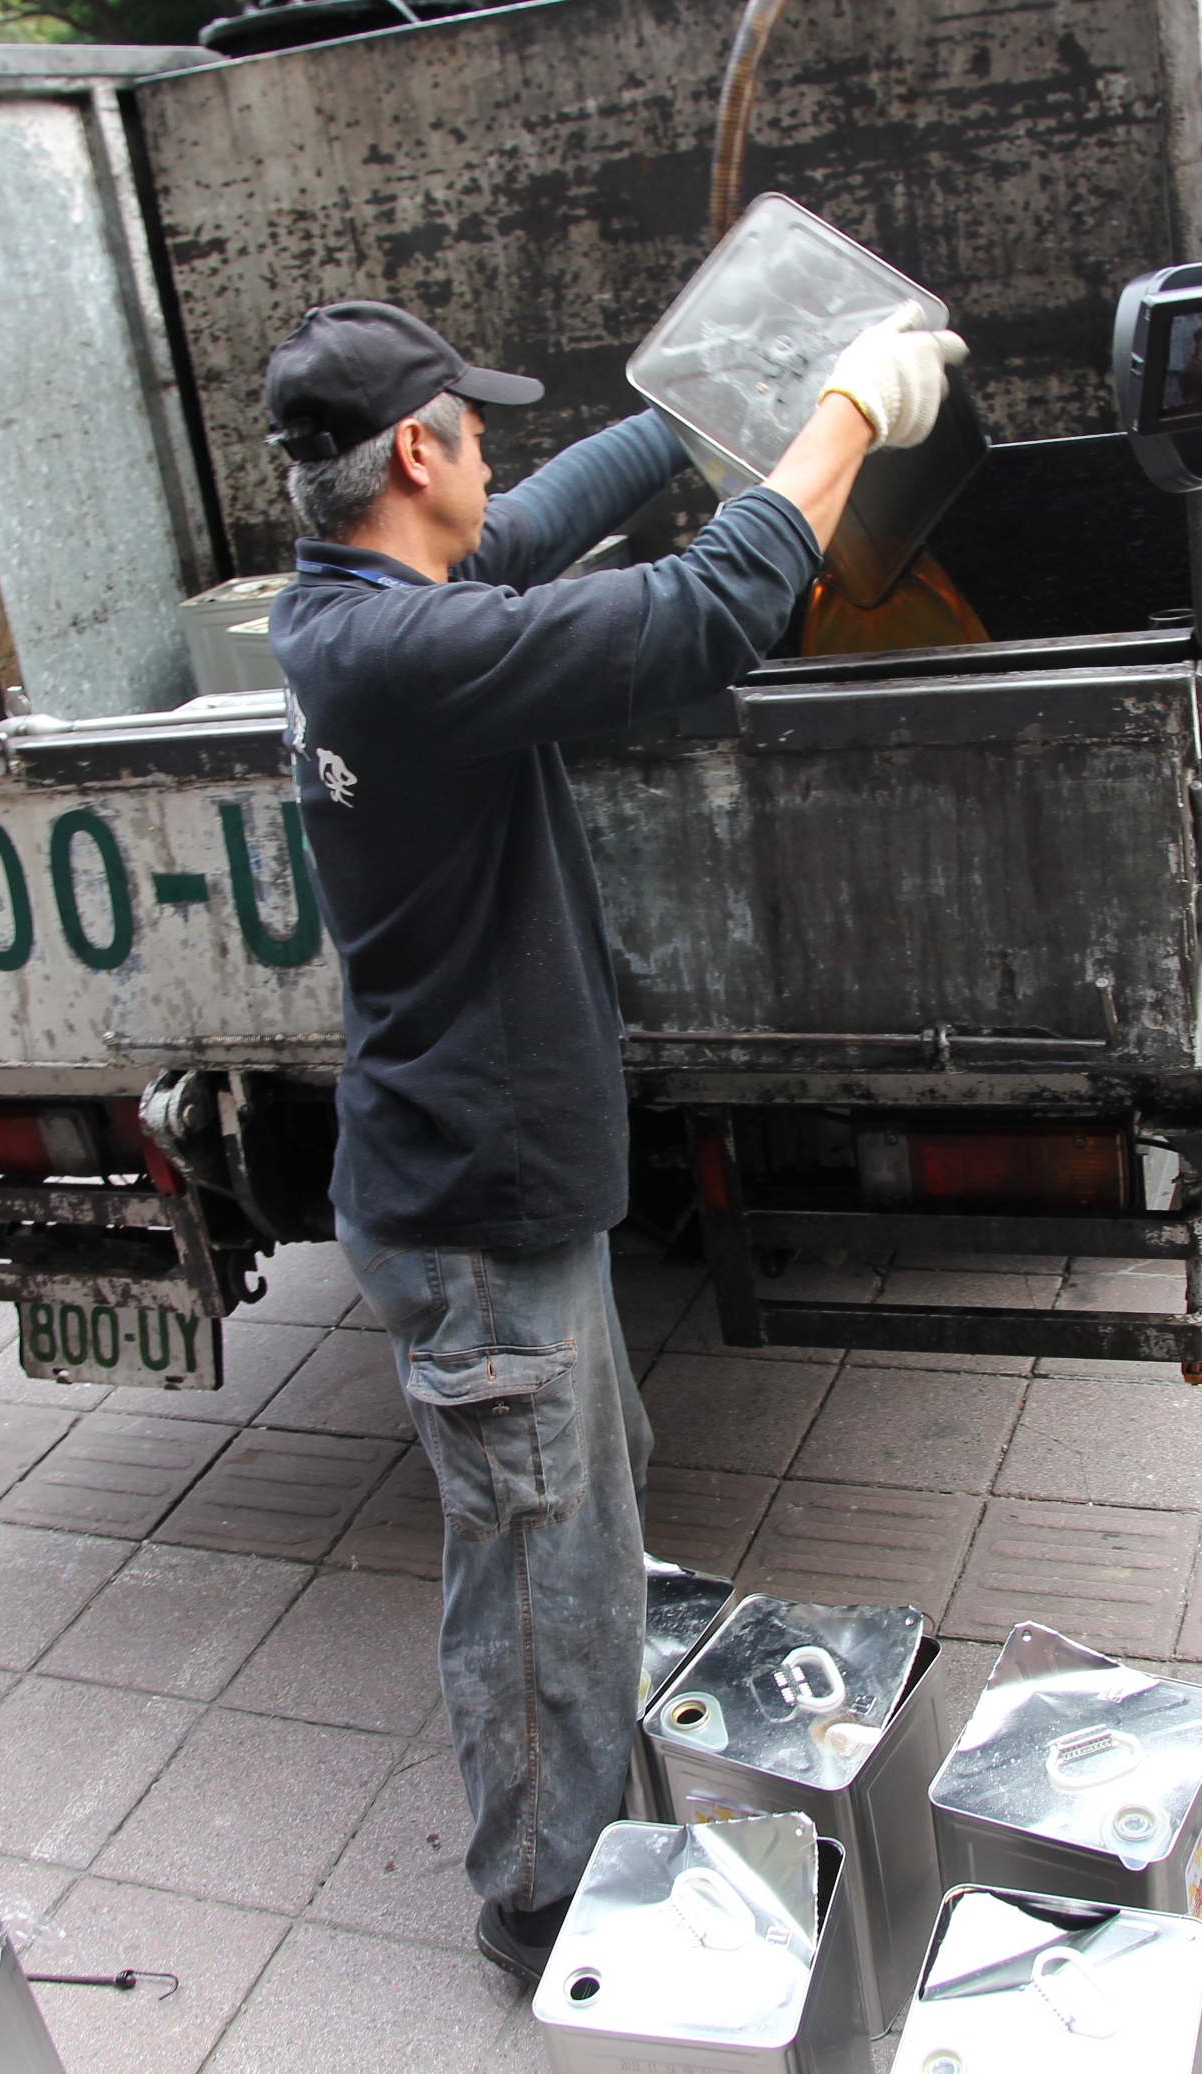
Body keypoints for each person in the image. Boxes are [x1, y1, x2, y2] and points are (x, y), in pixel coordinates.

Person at [263, 298, 966, 1983]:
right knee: (531, 1565)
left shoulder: (364, 599)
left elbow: (543, 513)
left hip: (490, 1172)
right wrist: (846, 407)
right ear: (412, 452)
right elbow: (709, 604)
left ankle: (587, 1798)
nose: (494, 449)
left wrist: (694, 402)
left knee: (574, 1525)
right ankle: (534, 1899)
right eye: (473, 422)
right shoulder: (406, 655)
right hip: (475, 1198)